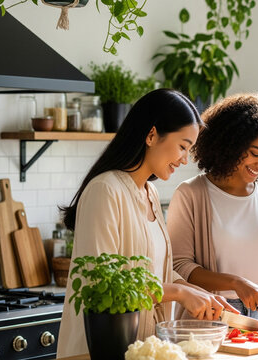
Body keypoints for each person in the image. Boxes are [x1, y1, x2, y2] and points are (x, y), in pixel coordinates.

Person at [57, 89, 237, 358]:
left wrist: (198, 293)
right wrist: (178, 292)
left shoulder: (149, 193)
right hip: (100, 350)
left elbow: (157, 275)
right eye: (182, 146)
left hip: (140, 348)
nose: (184, 159)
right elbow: (102, 286)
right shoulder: (105, 190)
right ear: (151, 135)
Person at [168, 93, 258, 320]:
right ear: (230, 144)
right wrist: (236, 283)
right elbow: (179, 266)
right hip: (210, 315)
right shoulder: (191, 194)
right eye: (255, 153)